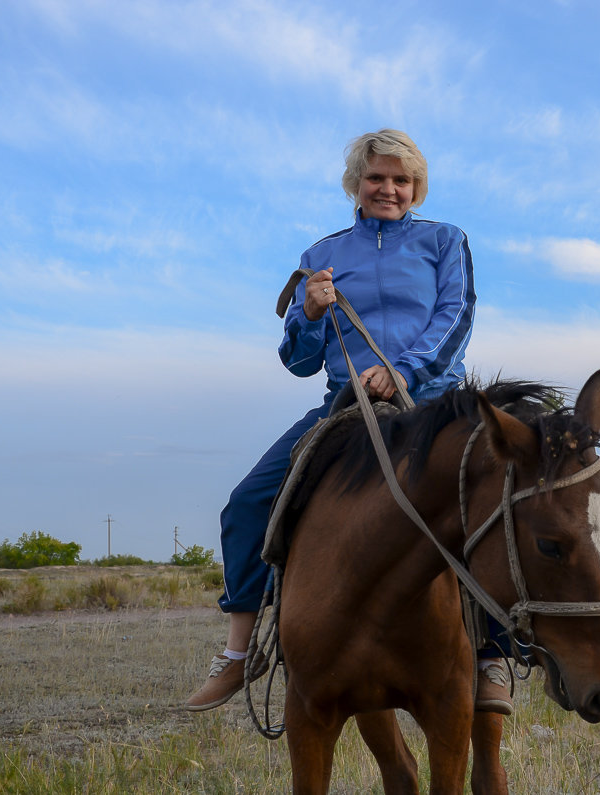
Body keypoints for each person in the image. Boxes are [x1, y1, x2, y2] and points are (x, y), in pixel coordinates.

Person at [185, 129, 512, 715]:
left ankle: (493, 655)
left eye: (401, 180)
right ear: (356, 186)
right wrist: (309, 313)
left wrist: (404, 372)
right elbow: (297, 359)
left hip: (431, 402)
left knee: (500, 498)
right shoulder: (321, 254)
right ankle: (239, 653)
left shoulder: (445, 240)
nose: (389, 189)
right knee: (244, 504)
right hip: (346, 405)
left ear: (417, 188)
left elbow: (456, 315)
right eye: (377, 178)